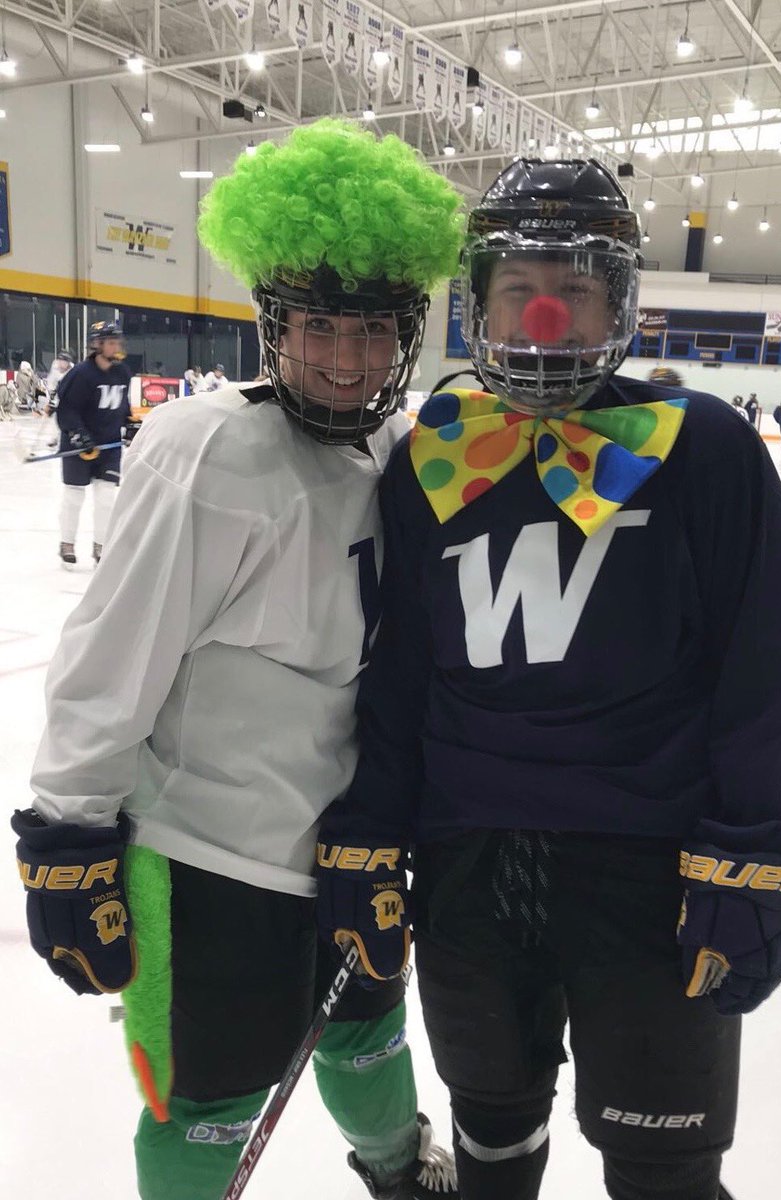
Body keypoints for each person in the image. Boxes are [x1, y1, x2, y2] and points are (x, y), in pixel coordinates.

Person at [316, 157, 781, 1200]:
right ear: (480, 300)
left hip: (652, 865)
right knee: (493, 1133)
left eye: (577, 290)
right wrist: (370, 832)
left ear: (619, 301)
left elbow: (767, 668)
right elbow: (399, 664)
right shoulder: (429, 455)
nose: (545, 317)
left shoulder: (708, 449)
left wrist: (755, 852)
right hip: (468, 862)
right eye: (519, 291)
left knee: (663, 1163)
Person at [11, 118, 464, 1200]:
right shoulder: (207, 450)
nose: (347, 361)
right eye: (319, 327)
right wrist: (68, 831)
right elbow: (111, 656)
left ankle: (403, 1171)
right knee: (206, 1098)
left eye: (373, 331)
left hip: (350, 847)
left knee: (368, 1039)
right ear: (273, 323)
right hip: (206, 851)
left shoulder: (403, 453)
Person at [51, 322, 133, 565]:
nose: (116, 346)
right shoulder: (80, 375)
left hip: (109, 446)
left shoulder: (123, 373)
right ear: (97, 345)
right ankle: (67, 542)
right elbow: (67, 411)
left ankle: (101, 545)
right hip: (78, 445)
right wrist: (78, 435)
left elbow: (122, 406)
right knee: (74, 496)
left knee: (107, 496)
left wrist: (129, 424)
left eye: (118, 341)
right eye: (111, 342)